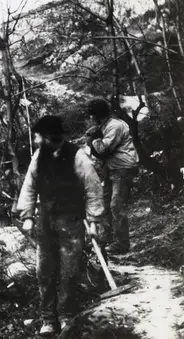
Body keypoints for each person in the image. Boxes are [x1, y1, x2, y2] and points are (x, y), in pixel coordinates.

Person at [17, 115, 104, 336]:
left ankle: (67, 317)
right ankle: (48, 319)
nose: (35, 141)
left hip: (71, 222)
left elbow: (93, 188)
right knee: (44, 271)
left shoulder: (78, 156)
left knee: (69, 271)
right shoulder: (39, 156)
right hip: (46, 221)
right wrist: (28, 216)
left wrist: (94, 220)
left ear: (49, 137)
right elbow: (29, 186)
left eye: (38, 137)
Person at [86, 98, 139, 254]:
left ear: (98, 114)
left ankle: (122, 243)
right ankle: (106, 238)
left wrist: (94, 139)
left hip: (123, 168)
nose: (91, 118)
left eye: (92, 115)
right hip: (112, 168)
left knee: (116, 205)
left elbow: (103, 150)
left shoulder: (114, 126)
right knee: (106, 203)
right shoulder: (105, 125)